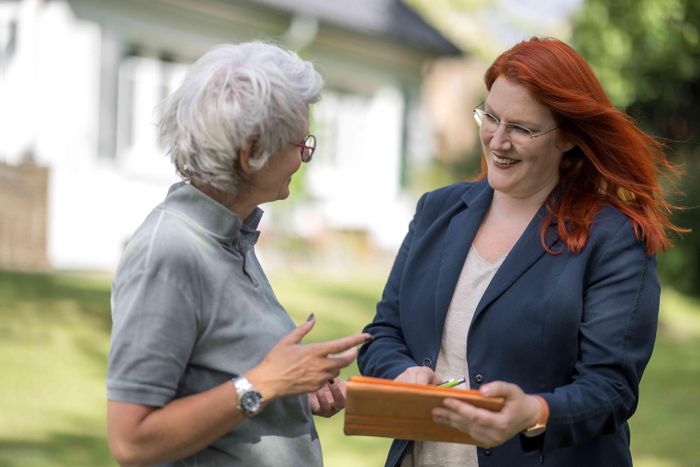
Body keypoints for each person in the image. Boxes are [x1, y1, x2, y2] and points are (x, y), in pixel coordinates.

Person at [358, 37, 683, 466]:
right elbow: (383, 332)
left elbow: (611, 389)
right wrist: (403, 373)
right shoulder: (437, 210)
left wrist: (536, 412)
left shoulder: (615, 237)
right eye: (490, 117)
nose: (497, 141)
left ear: (567, 137)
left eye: (522, 129)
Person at [106, 42, 371, 467]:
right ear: (251, 152)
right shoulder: (169, 255)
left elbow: (225, 373)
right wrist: (268, 381)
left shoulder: (230, 235)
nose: (304, 159)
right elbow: (132, 442)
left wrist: (293, 385)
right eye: (301, 145)